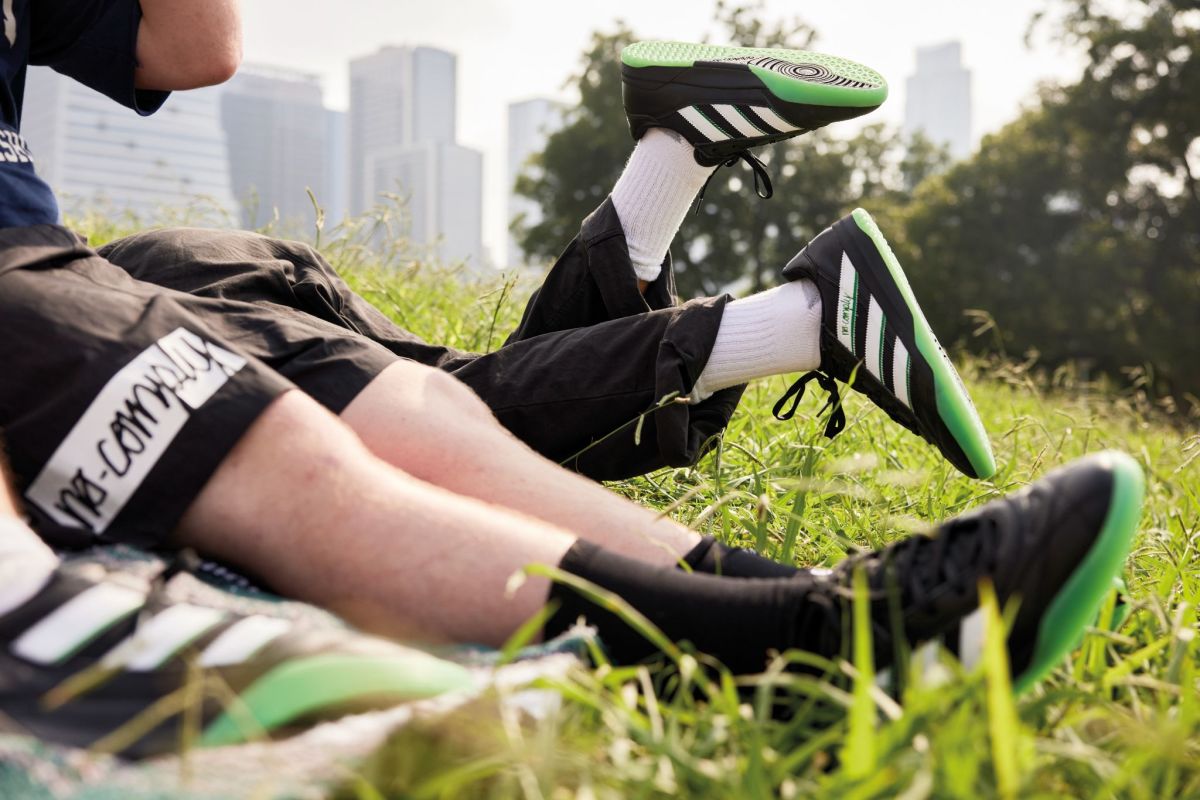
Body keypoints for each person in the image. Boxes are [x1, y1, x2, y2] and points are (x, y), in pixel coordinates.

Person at [0, 1, 1146, 757]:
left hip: (109, 272)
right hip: (70, 288)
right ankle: (813, 599)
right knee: (401, 426)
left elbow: (193, 47)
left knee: (441, 410)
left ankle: (774, 317)